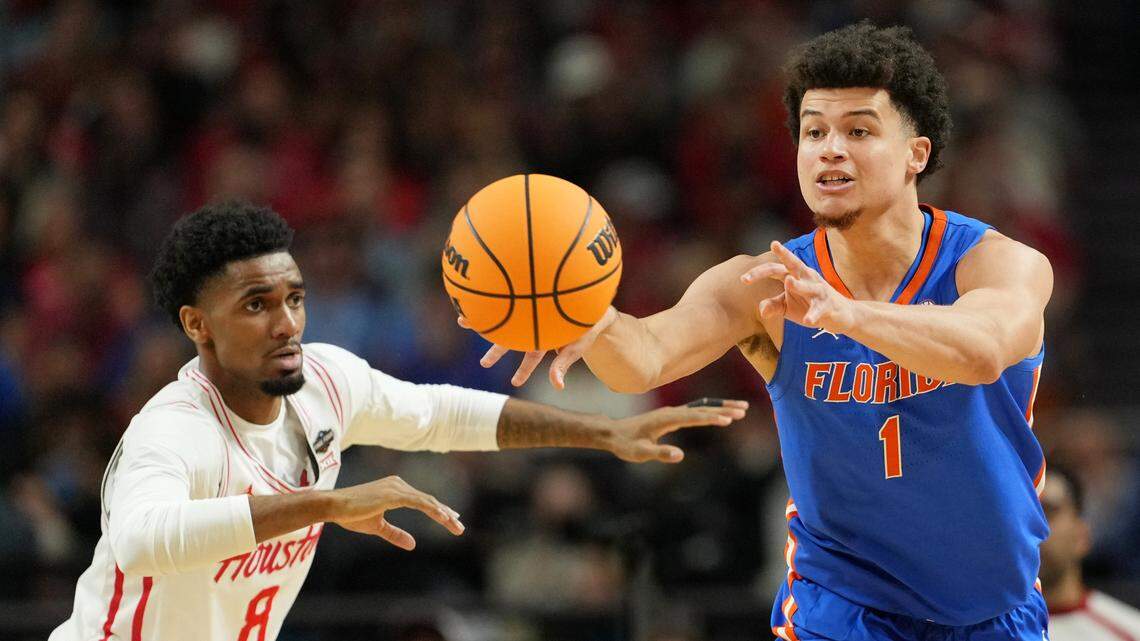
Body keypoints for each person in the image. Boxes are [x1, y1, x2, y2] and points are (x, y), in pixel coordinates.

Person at [471, 22, 1053, 640]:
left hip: (994, 609)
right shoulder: (763, 284)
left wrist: (846, 314)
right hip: (842, 607)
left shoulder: (995, 262)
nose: (830, 148)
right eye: (813, 131)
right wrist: (593, 321)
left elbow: (983, 351)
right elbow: (644, 358)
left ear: (917, 154)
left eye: (858, 130)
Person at [49, 201, 748, 641]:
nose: (287, 321)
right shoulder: (173, 429)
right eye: (256, 305)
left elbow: (436, 413)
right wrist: (326, 503)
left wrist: (599, 432)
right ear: (198, 325)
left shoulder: (325, 379)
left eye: (294, 297)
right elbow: (140, 541)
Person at [1040, 466, 1140, 641]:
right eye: (1021, 515)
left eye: (1047, 511)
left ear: (1082, 536)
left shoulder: (1129, 633)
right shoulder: (981, 633)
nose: (1031, 529)